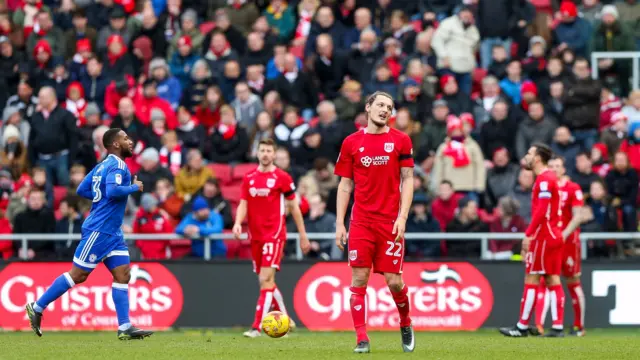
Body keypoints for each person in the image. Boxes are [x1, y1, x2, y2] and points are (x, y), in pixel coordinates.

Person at [25, 128, 153, 340]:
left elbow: (83, 189)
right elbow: (113, 192)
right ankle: (37, 307)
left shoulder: (102, 165)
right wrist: (132, 187)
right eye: (125, 138)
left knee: (123, 275)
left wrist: (100, 197)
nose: (130, 141)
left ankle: (124, 326)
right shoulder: (118, 165)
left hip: (113, 232)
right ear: (115, 144)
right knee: (78, 275)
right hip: (100, 229)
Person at [334, 91, 415, 353]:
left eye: (389, 107)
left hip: (390, 222)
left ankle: (405, 322)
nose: (385, 110)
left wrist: (403, 216)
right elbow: (345, 185)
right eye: (380, 105)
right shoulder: (351, 143)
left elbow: (408, 179)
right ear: (368, 107)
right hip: (361, 221)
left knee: (394, 281)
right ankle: (362, 339)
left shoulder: (401, 141)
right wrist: (339, 222)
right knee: (359, 278)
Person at [233, 138, 310, 338]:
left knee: (265, 278)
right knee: (267, 282)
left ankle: (256, 327)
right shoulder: (249, 178)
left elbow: (294, 207)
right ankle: (286, 320)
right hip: (255, 236)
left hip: (274, 235)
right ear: (257, 153)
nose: (266, 154)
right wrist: (237, 223)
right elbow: (243, 203)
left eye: (269, 150)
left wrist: (303, 235)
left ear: (274, 155)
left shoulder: (282, 177)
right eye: (262, 150)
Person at [500, 143, 566, 338]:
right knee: (552, 278)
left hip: (544, 236)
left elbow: (541, 211)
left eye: (529, 153)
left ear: (537, 158)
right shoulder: (546, 179)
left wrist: (528, 234)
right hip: (553, 234)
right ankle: (558, 327)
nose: (526, 156)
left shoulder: (545, 180)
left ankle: (521, 326)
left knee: (532, 277)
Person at [531, 156, 587, 337]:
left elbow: (578, 216)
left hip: (568, 242)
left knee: (572, 281)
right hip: (549, 240)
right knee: (545, 280)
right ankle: (540, 325)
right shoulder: (545, 186)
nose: (554, 169)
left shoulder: (573, 188)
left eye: (558, 166)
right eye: (551, 166)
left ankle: (579, 326)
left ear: (564, 169)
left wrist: (563, 234)